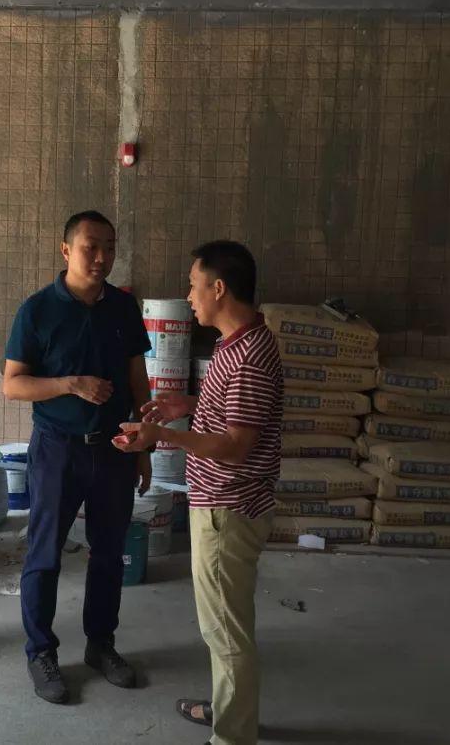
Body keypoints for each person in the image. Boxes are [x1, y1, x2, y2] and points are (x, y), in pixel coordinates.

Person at [115, 240, 283, 745]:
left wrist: (161, 435)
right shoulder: (237, 342)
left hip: (229, 510)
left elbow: (235, 445)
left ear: (219, 288)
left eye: (193, 285)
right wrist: (186, 404)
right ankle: (231, 712)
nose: (188, 296)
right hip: (222, 505)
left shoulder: (248, 356)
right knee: (225, 624)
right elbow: (232, 412)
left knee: (225, 631)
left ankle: (232, 735)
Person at [2, 210, 152, 704]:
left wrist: (145, 443)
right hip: (57, 451)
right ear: (66, 250)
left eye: (109, 246)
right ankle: (41, 652)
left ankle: (100, 644)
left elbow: (138, 379)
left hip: (115, 449)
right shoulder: (38, 310)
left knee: (108, 553)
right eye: (91, 246)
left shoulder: (123, 308)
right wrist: (70, 384)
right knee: (44, 556)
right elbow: (13, 385)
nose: (101, 256)